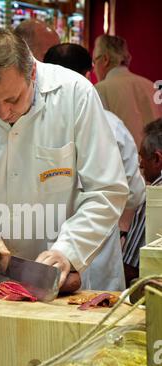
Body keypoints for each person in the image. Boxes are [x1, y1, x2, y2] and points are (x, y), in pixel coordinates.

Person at [0, 28, 129, 302]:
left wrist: (68, 250)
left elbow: (106, 188)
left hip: (59, 283)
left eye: (13, 99)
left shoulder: (75, 94)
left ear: (32, 74)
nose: (3, 112)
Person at [44, 43, 146, 290]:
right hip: (97, 248)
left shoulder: (27, 123)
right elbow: (134, 192)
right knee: (97, 324)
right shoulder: (112, 124)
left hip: (45, 245)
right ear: (88, 73)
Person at [92, 34, 162, 149]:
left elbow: (100, 140)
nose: (94, 70)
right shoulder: (151, 85)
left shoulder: (100, 89)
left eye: (94, 61)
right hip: (154, 162)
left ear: (105, 59)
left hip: (122, 164)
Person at [123, 118, 162, 286]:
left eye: (143, 158)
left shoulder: (154, 198)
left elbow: (131, 270)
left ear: (157, 159)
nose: (140, 164)